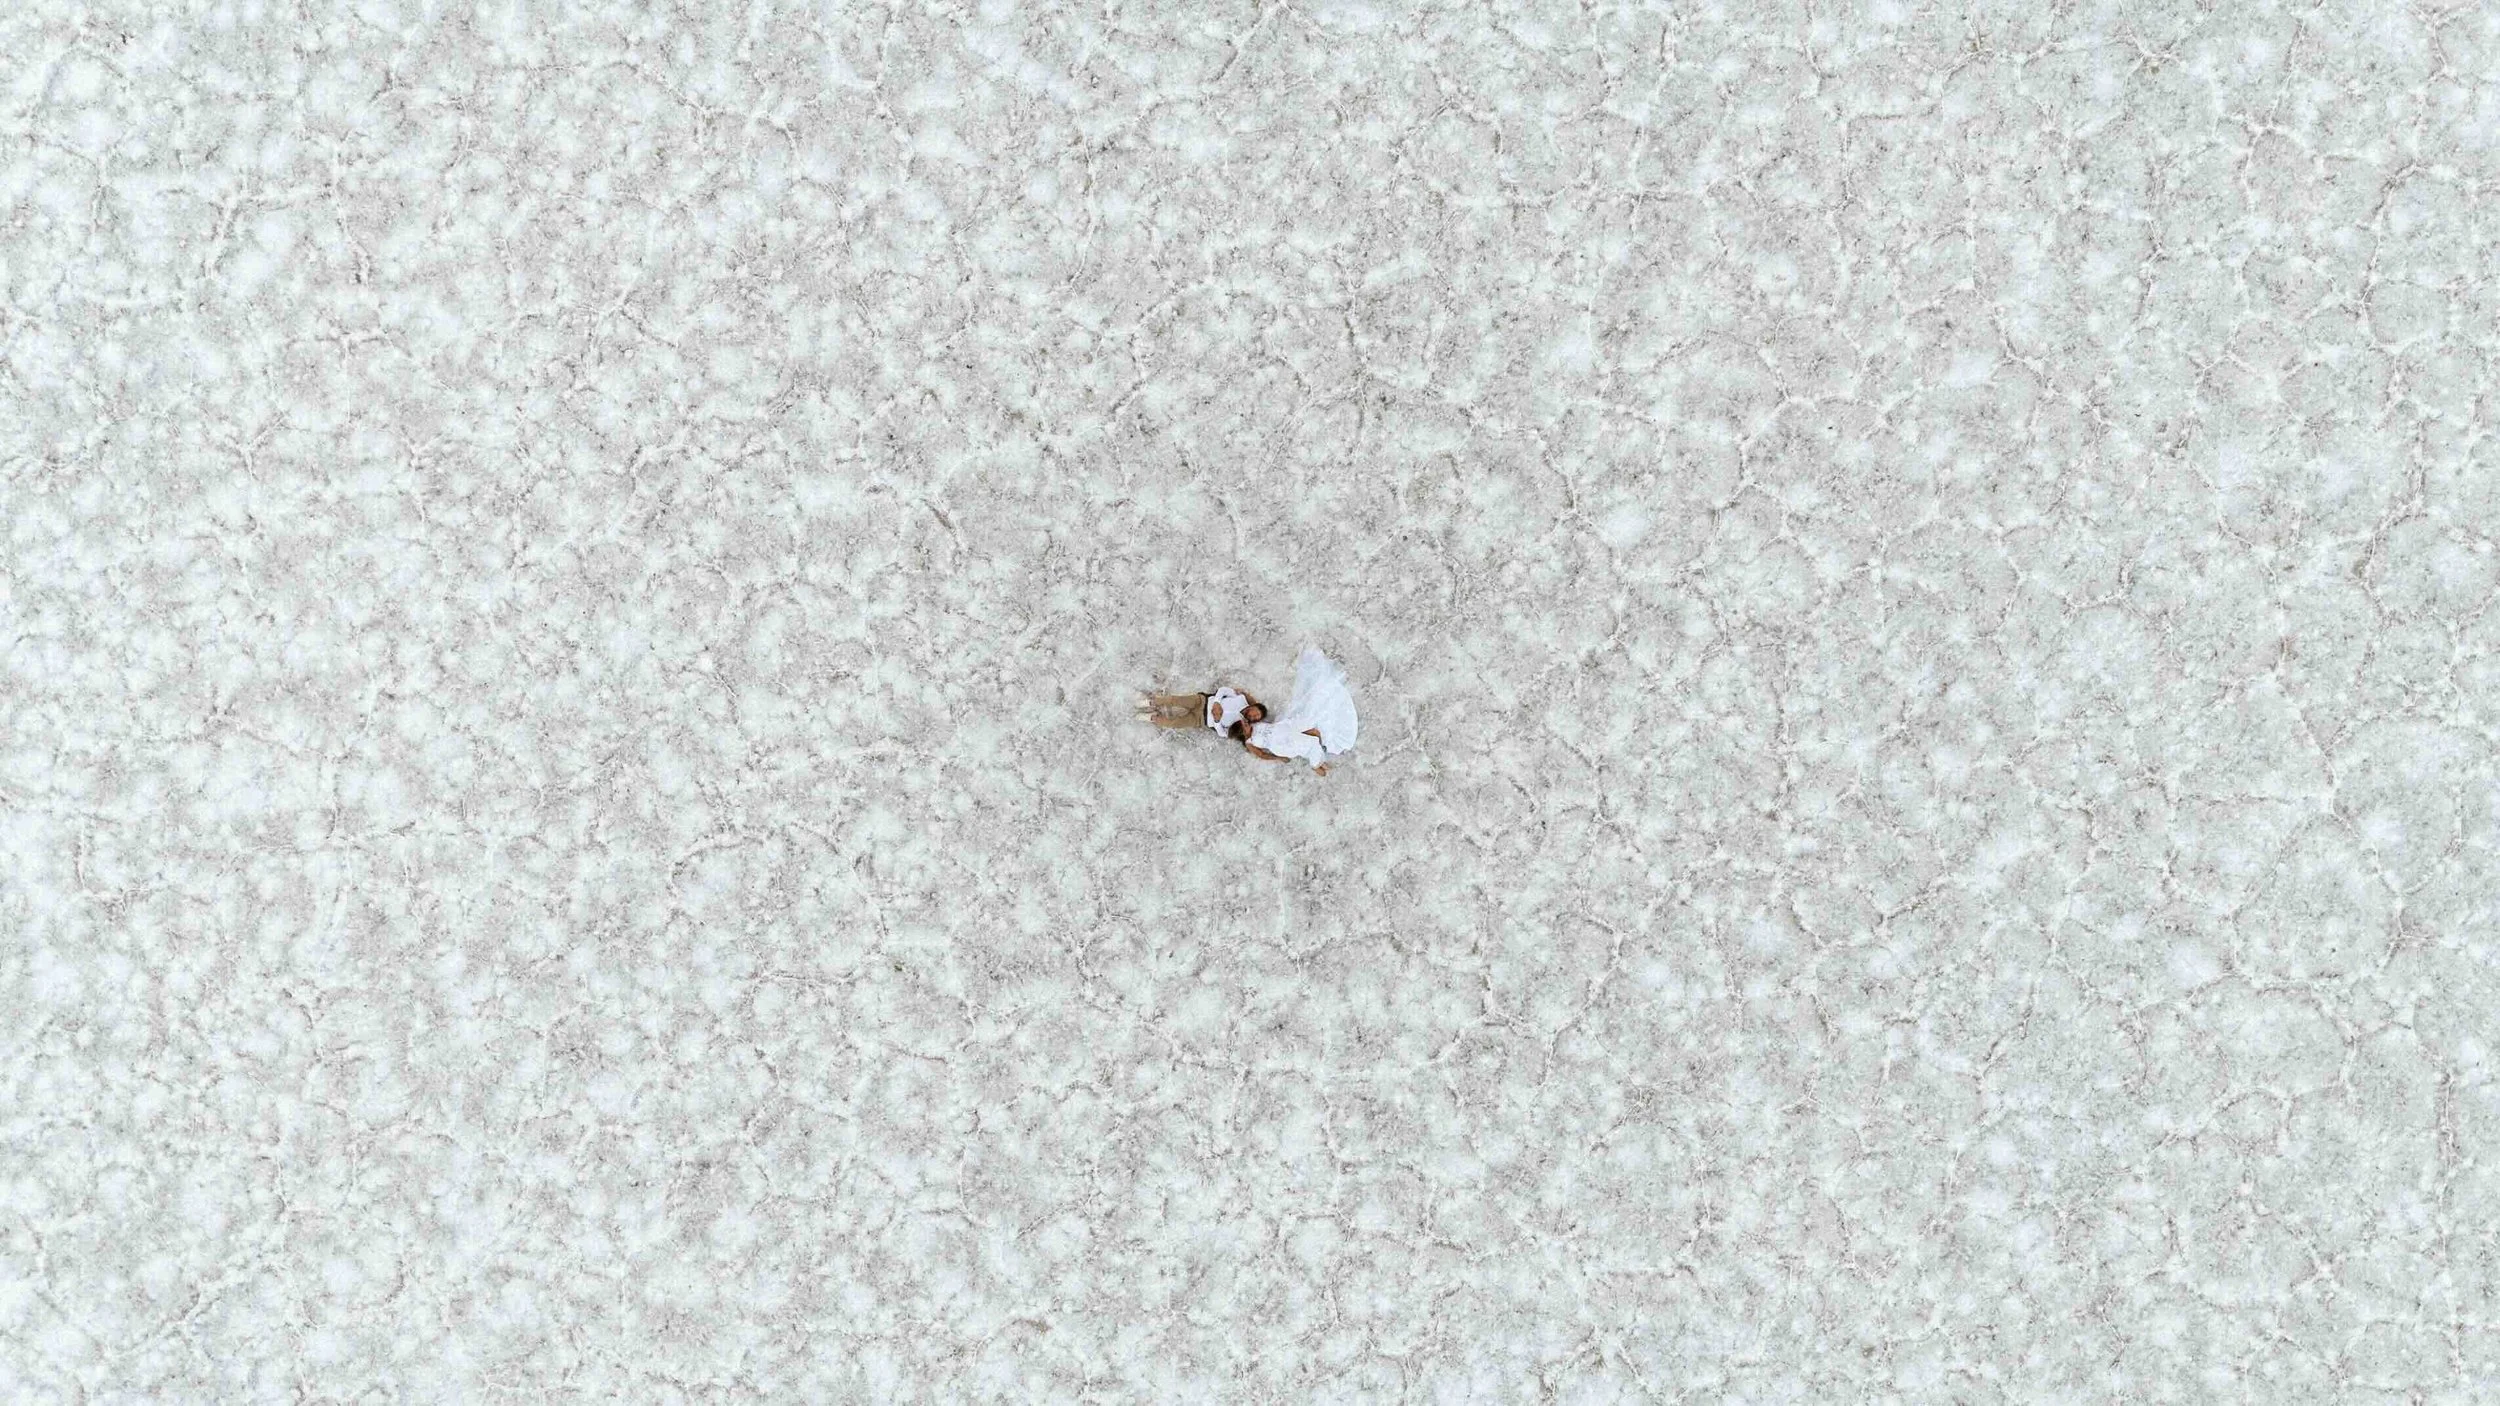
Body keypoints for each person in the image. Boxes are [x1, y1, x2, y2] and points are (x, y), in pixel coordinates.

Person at [1240, 646, 1357, 776]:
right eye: (1244, 727)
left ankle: (1322, 754)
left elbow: (1255, 707)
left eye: (1245, 723)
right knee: (1304, 746)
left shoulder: (1256, 724)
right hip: (1280, 744)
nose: (1246, 725)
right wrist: (1278, 758)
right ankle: (1321, 766)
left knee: (1311, 730)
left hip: (1283, 729)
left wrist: (1243, 694)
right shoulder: (1250, 742)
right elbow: (1261, 754)